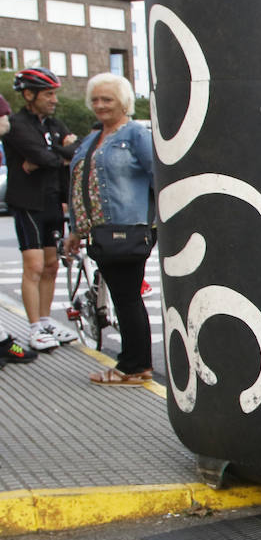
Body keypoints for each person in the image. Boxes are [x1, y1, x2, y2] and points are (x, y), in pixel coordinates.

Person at [62, 73, 157, 385]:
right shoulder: (93, 138)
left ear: (124, 102)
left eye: (107, 99)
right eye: (95, 100)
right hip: (101, 233)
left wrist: (157, 221)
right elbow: (80, 187)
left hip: (127, 231)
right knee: (124, 296)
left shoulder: (135, 135)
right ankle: (135, 363)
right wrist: (75, 230)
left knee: (127, 296)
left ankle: (133, 365)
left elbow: (159, 176)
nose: (100, 105)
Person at [2, 68, 80, 351]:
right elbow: (41, 155)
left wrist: (55, 156)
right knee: (33, 265)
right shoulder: (16, 124)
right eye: (48, 94)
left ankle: (47, 321)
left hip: (52, 202)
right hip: (28, 202)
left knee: (51, 265)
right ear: (29, 94)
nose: (54, 99)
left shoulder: (54, 124)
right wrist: (57, 154)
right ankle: (34, 327)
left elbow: (74, 152)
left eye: (55, 93)